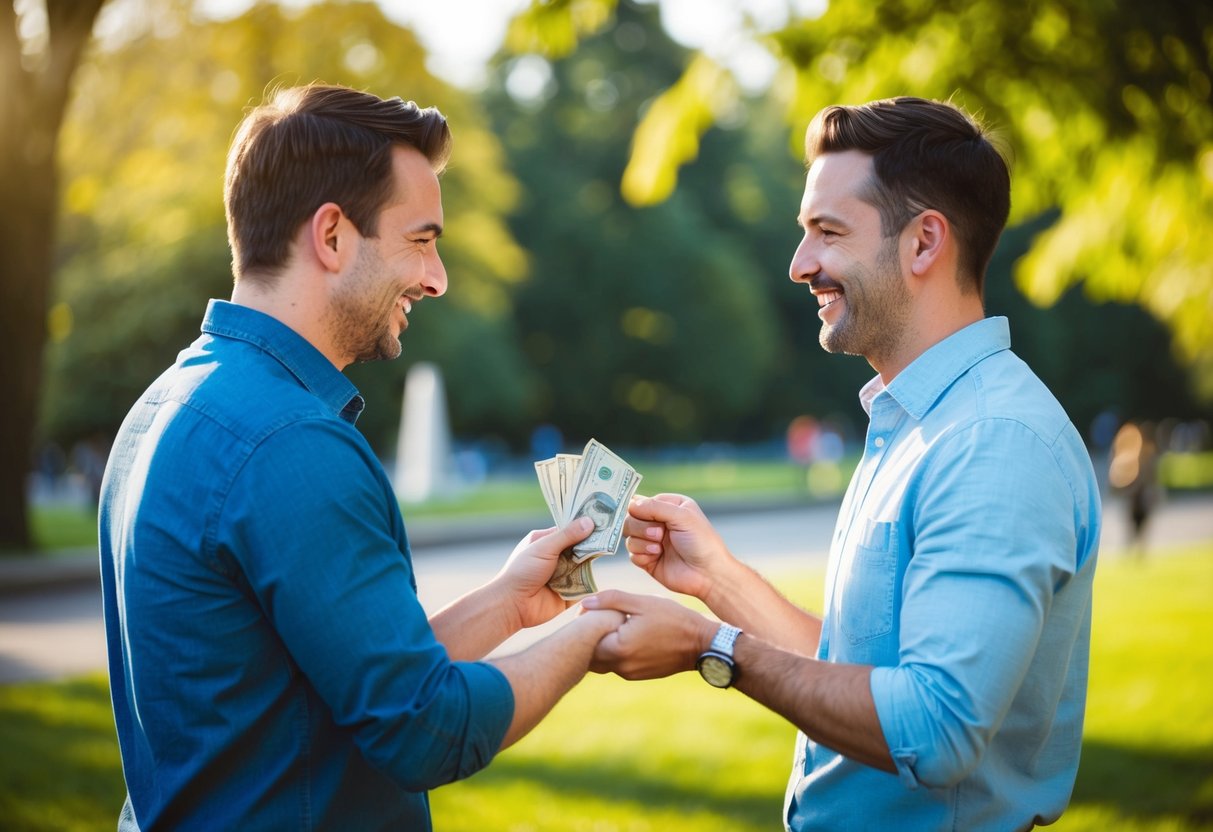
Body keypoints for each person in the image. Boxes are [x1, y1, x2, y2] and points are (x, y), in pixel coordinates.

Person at [97, 83, 622, 830]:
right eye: (421, 240)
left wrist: (506, 601)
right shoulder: (292, 443)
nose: (436, 277)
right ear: (333, 236)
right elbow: (422, 728)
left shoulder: (165, 405)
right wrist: (590, 636)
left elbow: (338, 686)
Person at [585, 97, 1102, 830]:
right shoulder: (921, 421)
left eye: (827, 233)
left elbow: (934, 729)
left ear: (923, 244)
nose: (800, 265)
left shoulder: (993, 441)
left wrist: (714, 648)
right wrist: (718, 583)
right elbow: (858, 668)